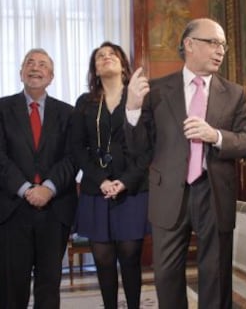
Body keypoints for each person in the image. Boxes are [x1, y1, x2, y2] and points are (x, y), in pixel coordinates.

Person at [125, 18, 246, 309]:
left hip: (214, 192)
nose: (220, 50)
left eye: (223, 44)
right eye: (213, 42)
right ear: (189, 44)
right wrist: (132, 109)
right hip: (169, 192)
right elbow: (138, 149)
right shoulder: (157, 90)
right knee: (167, 275)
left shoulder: (234, 93)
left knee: (216, 274)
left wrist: (217, 136)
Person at [70, 41, 150, 309]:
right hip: (96, 189)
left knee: (130, 255)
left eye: (111, 54)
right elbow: (77, 148)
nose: (105, 58)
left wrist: (125, 181)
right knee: (103, 258)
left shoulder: (140, 97)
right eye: (99, 57)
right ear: (95, 68)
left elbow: (149, 147)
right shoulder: (85, 102)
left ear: (123, 64)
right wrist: (101, 180)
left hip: (133, 188)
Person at [0, 48, 78, 308]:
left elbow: (73, 157)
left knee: (49, 285)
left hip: (54, 210)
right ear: (21, 72)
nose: (35, 68)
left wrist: (48, 188)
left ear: (51, 76)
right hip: (12, 209)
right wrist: (25, 189)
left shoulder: (67, 113)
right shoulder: (2, 109)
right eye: (30, 63)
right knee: (12, 286)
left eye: (42, 64)